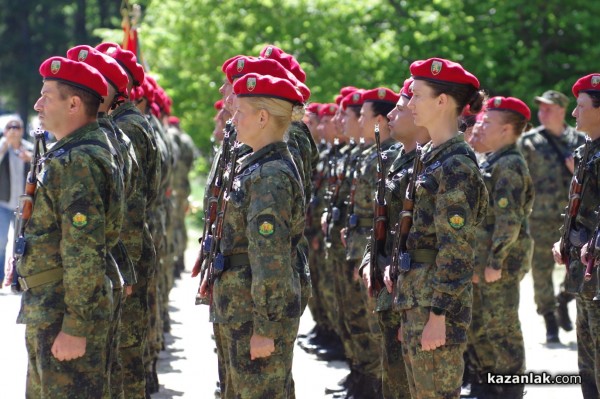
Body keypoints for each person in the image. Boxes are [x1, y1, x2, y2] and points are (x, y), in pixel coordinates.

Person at [16, 56, 124, 398]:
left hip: (63, 310)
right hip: (52, 305)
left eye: (47, 95)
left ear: (74, 104)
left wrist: (76, 325)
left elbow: (83, 250)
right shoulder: (73, 153)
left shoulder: (77, 162)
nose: (38, 104)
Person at [198, 73, 306, 398]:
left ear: (262, 118)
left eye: (240, 112)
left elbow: (270, 261)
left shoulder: (270, 175)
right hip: (240, 308)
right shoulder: (254, 165)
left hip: (254, 315)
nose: (232, 118)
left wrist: (265, 327)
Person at [394, 57, 488, 399]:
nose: (410, 102)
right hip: (417, 297)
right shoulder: (432, 155)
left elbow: (457, 248)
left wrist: (438, 314)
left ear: (442, 101)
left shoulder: (455, 165)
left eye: (417, 95)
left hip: (435, 304)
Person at [361, 77, 430, 399]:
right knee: (394, 376)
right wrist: (368, 259)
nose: (390, 116)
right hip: (389, 284)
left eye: (399, 110)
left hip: (409, 290)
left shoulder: (429, 162)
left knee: (408, 382)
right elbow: (381, 223)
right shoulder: (394, 159)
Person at [469, 96, 534, 398]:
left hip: (500, 264)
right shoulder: (492, 159)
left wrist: (495, 261)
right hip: (482, 261)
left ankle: (509, 389)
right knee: (482, 324)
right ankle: (485, 383)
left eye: (487, 121)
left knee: (502, 328)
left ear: (507, 129)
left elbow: (510, 220)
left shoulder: (509, 164)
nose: (479, 124)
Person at [518, 89, 586, 342]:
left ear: (561, 110)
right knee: (541, 269)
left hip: (573, 218)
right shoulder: (529, 142)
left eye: (548, 108)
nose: (542, 113)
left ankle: (563, 299)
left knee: (576, 268)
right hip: (539, 218)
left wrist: (576, 170)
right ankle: (549, 320)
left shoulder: (580, 140)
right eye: (540, 108)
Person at [552, 74, 600, 399]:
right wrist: (564, 239)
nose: (573, 114)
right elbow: (578, 207)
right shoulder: (586, 151)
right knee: (588, 363)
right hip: (584, 273)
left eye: (580, 106)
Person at [0, 116, 32, 282]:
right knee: (1, 242)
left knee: (19, 244)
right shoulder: (2, 147)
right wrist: (4, 148)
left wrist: (31, 159)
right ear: (5, 131)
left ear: (22, 130)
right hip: (3, 204)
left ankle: (16, 280)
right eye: (10, 127)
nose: (13, 130)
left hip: (23, 205)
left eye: (17, 127)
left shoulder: (29, 148)